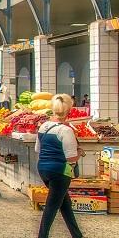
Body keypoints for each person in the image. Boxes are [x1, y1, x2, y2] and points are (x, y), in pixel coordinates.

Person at [35, 94, 83, 238]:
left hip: (43, 169)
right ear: (68, 111)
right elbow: (71, 158)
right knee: (52, 206)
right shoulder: (66, 131)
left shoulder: (43, 126)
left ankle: (77, 235)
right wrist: (80, 153)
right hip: (60, 172)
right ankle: (42, 235)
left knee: (64, 203)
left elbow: (38, 149)